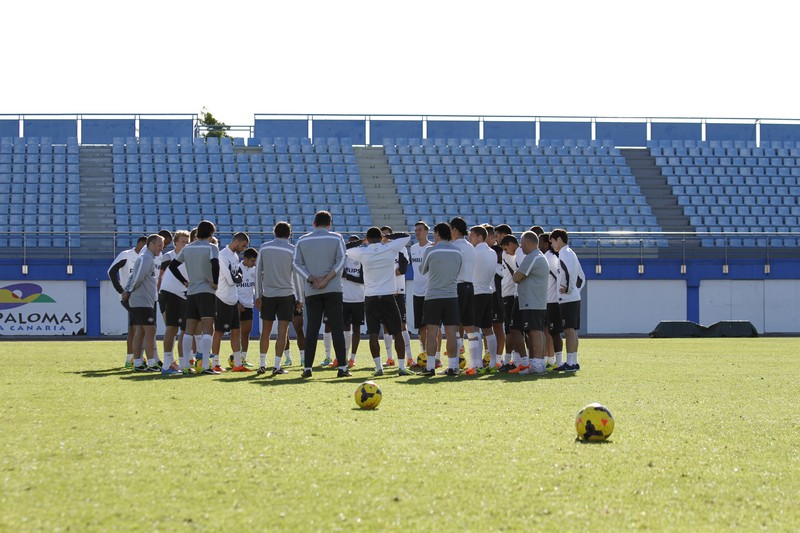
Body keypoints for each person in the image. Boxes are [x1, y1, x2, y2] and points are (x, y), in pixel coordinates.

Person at [346, 227, 413, 376]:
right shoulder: (389, 248)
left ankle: (378, 368)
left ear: (368, 238)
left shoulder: (363, 252)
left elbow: (345, 248)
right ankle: (401, 367)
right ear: (380, 236)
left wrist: (361, 241)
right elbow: (406, 236)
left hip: (371, 298)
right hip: (388, 296)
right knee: (397, 333)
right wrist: (388, 236)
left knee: (374, 335)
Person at [292, 210, 350, 378]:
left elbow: (296, 264)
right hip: (332, 289)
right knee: (337, 328)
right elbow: (341, 260)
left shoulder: (302, 240)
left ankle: (307, 369)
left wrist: (310, 278)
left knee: (311, 329)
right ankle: (342, 368)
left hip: (312, 290)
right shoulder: (336, 238)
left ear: (314, 224)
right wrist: (327, 279)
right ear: (329, 224)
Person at [169, 220, 220, 375]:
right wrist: (215, 282)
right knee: (207, 328)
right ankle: (205, 365)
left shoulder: (188, 248)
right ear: (211, 233)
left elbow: (172, 266)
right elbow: (215, 264)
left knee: (189, 329)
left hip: (191, 292)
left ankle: (185, 364)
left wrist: (185, 281)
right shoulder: (212, 247)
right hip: (206, 291)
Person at [418, 223, 463, 376]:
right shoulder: (458, 251)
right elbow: (458, 271)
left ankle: (430, 367)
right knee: (451, 333)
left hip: (433, 296)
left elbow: (422, 270)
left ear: (437, 233)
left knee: (432, 332)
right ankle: (453, 366)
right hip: (451, 296)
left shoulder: (431, 251)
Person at [255, 222, 297, 376]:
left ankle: (262, 364)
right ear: (289, 233)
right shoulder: (293, 249)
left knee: (265, 331)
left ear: (274, 232)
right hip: (286, 294)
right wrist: (299, 298)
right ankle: (277, 365)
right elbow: (297, 276)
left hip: (268, 295)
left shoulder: (265, 247)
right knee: (282, 332)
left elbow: (258, 272)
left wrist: (258, 295)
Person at [121, 234, 165, 372]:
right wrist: (128, 291)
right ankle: (151, 362)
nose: (161, 248)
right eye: (159, 245)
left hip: (142, 299)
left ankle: (138, 362)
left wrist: (128, 290)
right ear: (151, 244)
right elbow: (137, 278)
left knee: (140, 331)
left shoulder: (146, 257)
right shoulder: (146, 258)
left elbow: (134, 276)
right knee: (150, 330)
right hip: (142, 300)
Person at [511, 231, 550, 375]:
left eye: (521, 243)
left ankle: (537, 364)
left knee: (535, 332)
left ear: (528, 242)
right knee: (535, 331)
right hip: (534, 300)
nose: (520, 247)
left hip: (532, 300)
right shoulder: (539, 256)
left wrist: (518, 274)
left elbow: (516, 277)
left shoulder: (532, 257)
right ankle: (536, 363)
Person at [210, 232, 250, 373]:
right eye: (243, 245)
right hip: (222, 297)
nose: (244, 249)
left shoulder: (234, 256)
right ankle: (215, 363)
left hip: (233, 298)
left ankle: (238, 364)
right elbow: (232, 279)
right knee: (219, 332)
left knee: (236, 331)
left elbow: (239, 276)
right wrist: (236, 277)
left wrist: (237, 277)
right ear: (237, 242)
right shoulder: (222, 255)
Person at [549, 228, 585, 372]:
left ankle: (570, 363)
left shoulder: (564, 253)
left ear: (558, 240)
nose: (552, 245)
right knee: (573, 331)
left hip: (568, 299)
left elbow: (570, 272)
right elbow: (581, 277)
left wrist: (569, 290)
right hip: (573, 297)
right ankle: (573, 361)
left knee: (569, 330)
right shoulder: (571, 253)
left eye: (552, 242)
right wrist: (575, 290)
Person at [108, 235, 147, 368]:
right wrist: (121, 291)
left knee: (133, 327)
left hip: (141, 298)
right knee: (140, 326)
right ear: (141, 244)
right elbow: (111, 271)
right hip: (129, 297)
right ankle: (137, 358)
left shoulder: (145, 258)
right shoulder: (126, 255)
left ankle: (130, 358)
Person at [468, 225, 499, 375]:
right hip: (488, 292)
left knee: (473, 329)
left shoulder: (474, 252)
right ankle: (492, 362)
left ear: (480, 237)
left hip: (476, 292)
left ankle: (476, 364)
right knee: (488, 329)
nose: (469, 238)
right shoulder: (492, 252)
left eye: (472, 236)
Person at [379, 225, 412, 366]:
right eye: (382, 235)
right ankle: (390, 357)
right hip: (385, 292)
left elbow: (403, 269)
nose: (385, 238)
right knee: (386, 326)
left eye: (387, 235)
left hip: (398, 290)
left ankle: (409, 357)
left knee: (402, 325)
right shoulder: (379, 250)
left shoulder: (401, 249)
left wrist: (386, 275)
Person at [158, 229, 190, 374]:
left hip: (182, 295)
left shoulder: (188, 256)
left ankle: (182, 362)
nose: (185, 244)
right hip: (170, 294)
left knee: (184, 329)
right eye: (182, 241)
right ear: (175, 243)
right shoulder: (169, 256)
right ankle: (167, 364)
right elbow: (161, 276)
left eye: (187, 242)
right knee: (172, 328)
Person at [449, 217, 479, 370]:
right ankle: (476, 363)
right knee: (470, 326)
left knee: (452, 326)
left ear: (454, 229)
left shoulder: (453, 247)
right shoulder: (470, 247)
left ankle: (453, 365)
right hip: (470, 286)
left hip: (457, 286)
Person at [409, 221, 437, 367]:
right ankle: (424, 354)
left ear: (427, 231)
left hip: (430, 291)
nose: (417, 232)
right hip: (417, 291)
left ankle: (436, 357)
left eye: (420, 230)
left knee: (433, 324)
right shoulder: (413, 248)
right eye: (415, 230)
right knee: (421, 326)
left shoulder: (432, 247)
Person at [539, 232, 564, 371]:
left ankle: (559, 362)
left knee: (554, 332)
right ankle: (549, 359)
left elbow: (559, 276)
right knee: (545, 331)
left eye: (540, 242)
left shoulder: (551, 258)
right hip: (546, 300)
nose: (538, 245)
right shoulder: (545, 257)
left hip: (553, 301)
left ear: (546, 244)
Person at [341, 234, 365, 368]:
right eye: (350, 244)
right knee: (344, 328)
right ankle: (343, 356)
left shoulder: (361, 260)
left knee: (356, 329)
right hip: (344, 298)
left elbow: (363, 280)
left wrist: (348, 276)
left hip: (358, 299)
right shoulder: (343, 259)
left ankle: (352, 358)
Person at [484, 224, 506, 369]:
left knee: (498, 327)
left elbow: (503, 272)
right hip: (484, 293)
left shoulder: (499, 251)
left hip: (497, 294)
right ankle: (488, 356)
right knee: (486, 327)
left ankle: (498, 358)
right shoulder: (479, 251)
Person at [236, 247, 258, 368]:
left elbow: (257, 287)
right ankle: (236, 357)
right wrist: (237, 303)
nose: (254, 263)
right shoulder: (236, 269)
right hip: (237, 304)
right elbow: (233, 287)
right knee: (236, 332)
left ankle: (243, 358)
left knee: (246, 333)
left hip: (249, 305)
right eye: (252, 261)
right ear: (245, 259)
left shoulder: (254, 271)